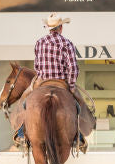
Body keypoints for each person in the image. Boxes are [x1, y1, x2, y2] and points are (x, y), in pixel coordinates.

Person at [25, 12, 96, 152]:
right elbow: (73, 68)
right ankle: (80, 136)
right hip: (62, 82)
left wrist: (41, 77)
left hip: (42, 81)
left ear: (48, 27)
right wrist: (70, 86)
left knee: (25, 102)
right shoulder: (67, 43)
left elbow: (37, 66)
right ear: (61, 27)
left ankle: (22, 133)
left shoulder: (39, 42)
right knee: (79, 105)